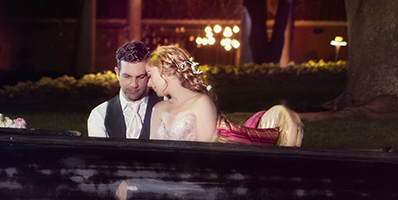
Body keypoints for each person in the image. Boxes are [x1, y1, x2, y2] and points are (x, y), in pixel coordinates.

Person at [146, 44, 304, 146]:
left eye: (150, 75)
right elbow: (152, 150)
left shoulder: (201, 103)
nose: (149, 83)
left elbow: (205, 151)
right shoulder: (158, 108)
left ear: (165, 71)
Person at [87, 41, 163, 139]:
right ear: (117, 73)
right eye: (127, 76)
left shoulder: (166, 106)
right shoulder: (100, 114)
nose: (134, 84)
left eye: (141, 77)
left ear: (149, 75)